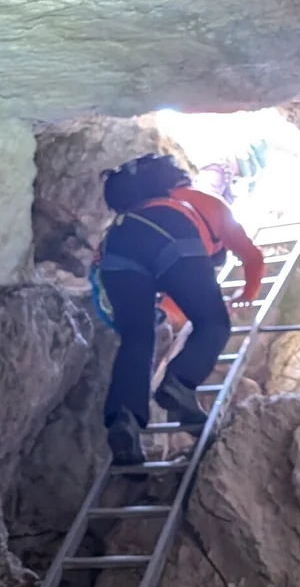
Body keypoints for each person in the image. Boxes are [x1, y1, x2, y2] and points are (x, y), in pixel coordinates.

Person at [96, 153, 265, 466]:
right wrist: (246, 293)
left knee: (136, 338)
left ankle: (124, 420)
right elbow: (252, 257)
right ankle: (179, 384)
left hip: (116, 243)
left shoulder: (142, 204)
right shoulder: (210, 204)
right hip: (170, 232)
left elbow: (171, 291)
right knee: (213, 323)